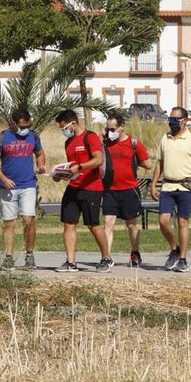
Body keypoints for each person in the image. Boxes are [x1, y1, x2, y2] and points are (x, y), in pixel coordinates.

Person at [149, 107, 191, 273]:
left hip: (185, 186)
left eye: (176, 119)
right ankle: (174, 248)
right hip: (167, 186)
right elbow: (159, 163)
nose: (172, 122)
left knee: (183, 222)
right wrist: (154, 184)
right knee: (163, 220)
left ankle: (182, 258)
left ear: (185, 120)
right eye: (171, 118)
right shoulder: (165, 138)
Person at [53, 109, 112, 273]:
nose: (63, 131)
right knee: (69, 223)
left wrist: (80, 166)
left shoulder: (90, 137)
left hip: (91, 188)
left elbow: (98, 160)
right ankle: (71, 262)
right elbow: (71, 168)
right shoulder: (68, 143)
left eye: (64, 127)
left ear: (73, 123)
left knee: (93, 224)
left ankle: (106, 258)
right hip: (73, 187)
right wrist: (60, 175)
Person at [0, 108, 46, 270]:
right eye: (22, 126)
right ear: (12, 124)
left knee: (29, 219)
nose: (25, 129)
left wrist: (40, 165)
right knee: (9, 223)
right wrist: (4, 179)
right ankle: (8, 257)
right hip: (9, 187)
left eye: (27, 125)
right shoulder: (1, 138)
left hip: (28, 185)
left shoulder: (33, 136)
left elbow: (40, 153)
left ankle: (30, 255)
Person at [100, 111, 152, 267]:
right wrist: (101, 139)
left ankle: (135, 253)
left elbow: (148, 164)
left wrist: (136, 161)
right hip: (110, 189)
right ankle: (106, 257)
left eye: (113, 129)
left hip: (129, 190)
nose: (110, 132)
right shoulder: (105, 143)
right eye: (108, 129)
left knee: (131, 224)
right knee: (108, 223)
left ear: (122, 127)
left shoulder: (133, 143)